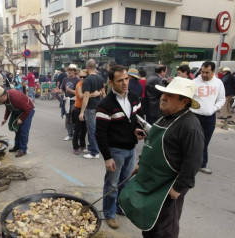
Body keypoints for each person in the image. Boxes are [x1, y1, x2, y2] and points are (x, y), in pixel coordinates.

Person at [118, 77, 204, 238]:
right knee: (149, 221)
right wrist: (141, 163)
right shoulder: (165, 117)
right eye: (164, 93)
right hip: (151, 180)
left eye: (170, 95)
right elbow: (154, 142)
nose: (163, 97)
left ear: (184, 101)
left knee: (164, 229)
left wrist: (178, 188)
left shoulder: (190, 126)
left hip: (167, 186)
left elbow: (193, 161)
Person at [96, 65, 144, 229]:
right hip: (115, 151)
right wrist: (107, 157)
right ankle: (109, 213)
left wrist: (137, 130)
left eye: (126, 79)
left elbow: (135, 119)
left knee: (125, 182)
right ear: (111, 82)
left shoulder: (134, 97)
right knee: (112, 185)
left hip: (131, 149)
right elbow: (100, 134)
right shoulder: (105, 104)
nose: (124, 83)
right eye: (120, 80)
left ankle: (119, 207)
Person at [191, 61, 225, 174]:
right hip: (195, 115)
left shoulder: (218, 83)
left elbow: (221, 99)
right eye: (202, 71)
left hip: (210, 117)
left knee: (205, 141)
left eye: (207, 72)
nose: (204, 75)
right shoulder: (194, 82)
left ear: (213, 71)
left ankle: (202, 164)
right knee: (192, 141)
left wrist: (214, 108)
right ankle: (187, 163)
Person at [0, 86, 35, 158]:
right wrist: (5, 119)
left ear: (3, 96)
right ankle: (17, 146)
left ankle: (23, 149)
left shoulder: (16, 98)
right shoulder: (5, 98)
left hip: (28, 110)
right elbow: (8, 108)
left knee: (23, 130)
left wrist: (21, 119)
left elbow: (27, 109)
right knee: (17, 130)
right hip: (19, 110)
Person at [79, 59, 106, 159]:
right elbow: (103, 93)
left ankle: (94, 152)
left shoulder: (87, 80)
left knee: (92, 130)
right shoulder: (100, 78)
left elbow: (85, 97)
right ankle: (91, 148)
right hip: (98, 106)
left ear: (87, 67)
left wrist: (81, 112)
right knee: (95, 129)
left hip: (90, 108)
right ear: (95, 67)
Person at [72, 69, 91, 155]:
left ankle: (82, 145)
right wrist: (91, 94)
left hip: (86, 109)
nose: (82, 78)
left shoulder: (87, 84)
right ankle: (75, 146)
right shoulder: (79, 84)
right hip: (78, 109)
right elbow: (80, 95)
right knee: (77, 129)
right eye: (81, 77)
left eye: (84, 77)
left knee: (84, 129)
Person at [60, 64, 80, 141]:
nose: (69, 71)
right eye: (69, 70)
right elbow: (62, 89)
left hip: (75, 101)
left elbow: (79, 93)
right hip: (67, 101)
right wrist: (58, 91)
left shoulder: (78, 80)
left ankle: (76, 135)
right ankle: (70, 134)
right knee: (68, 118)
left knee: (75, 119)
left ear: (75, 71)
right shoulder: (65, 79)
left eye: (71, 70)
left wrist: (70, 90)